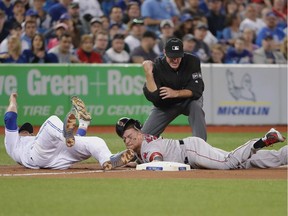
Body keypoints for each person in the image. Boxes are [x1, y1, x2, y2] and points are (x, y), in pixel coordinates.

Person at [4, 93, 134, 170]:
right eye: (24, 131)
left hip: (61, 158)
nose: (28, 133)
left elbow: (76, 140)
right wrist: (12, 100)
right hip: (37, 156)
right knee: (52, 121)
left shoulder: (36, 138)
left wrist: (83, 125)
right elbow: (9, 118)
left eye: (29, 132)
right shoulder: (14, 144)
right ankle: (65, 135)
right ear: (18, 133)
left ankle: (108, 160)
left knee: (96, 141)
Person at [115, 117, 287, 169]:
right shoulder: (142, 148)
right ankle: (284, 155)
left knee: (228, 163)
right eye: (125, 139)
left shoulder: (148, 148)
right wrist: (132, 163)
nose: (128, 140)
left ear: (140, 132)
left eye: (131, 135)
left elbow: (157, 161)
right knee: (243, 163)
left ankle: (262, 141)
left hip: (191, 151)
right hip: (190, 150)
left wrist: (142, 166)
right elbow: (141, 158)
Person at [141, 37, 207, 141]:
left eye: (178, 56)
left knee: (196, 107)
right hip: (167, 104)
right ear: (164, 53)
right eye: (172, 56)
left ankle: (201, 146)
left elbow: (197, 90)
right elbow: (154, 97)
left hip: (188, 101)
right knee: (144, 138)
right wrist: (149, 74)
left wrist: (175, 93)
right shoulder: (158, 66)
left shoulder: (192, 61)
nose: (175, 60)